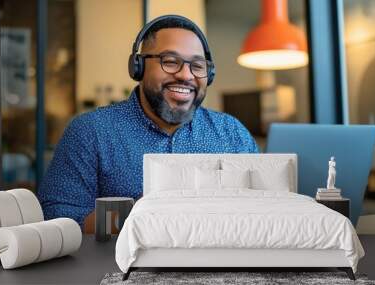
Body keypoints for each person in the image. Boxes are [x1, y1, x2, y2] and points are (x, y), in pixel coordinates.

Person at [38, 15, 259, 227]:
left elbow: (263, 211)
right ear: (139, 67)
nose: (186, 75)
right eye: (170, 62)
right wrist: (139, 211)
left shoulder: (232, 134)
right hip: (120, 266)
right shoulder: (90, 132)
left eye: (198, 66)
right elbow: (59, 219)